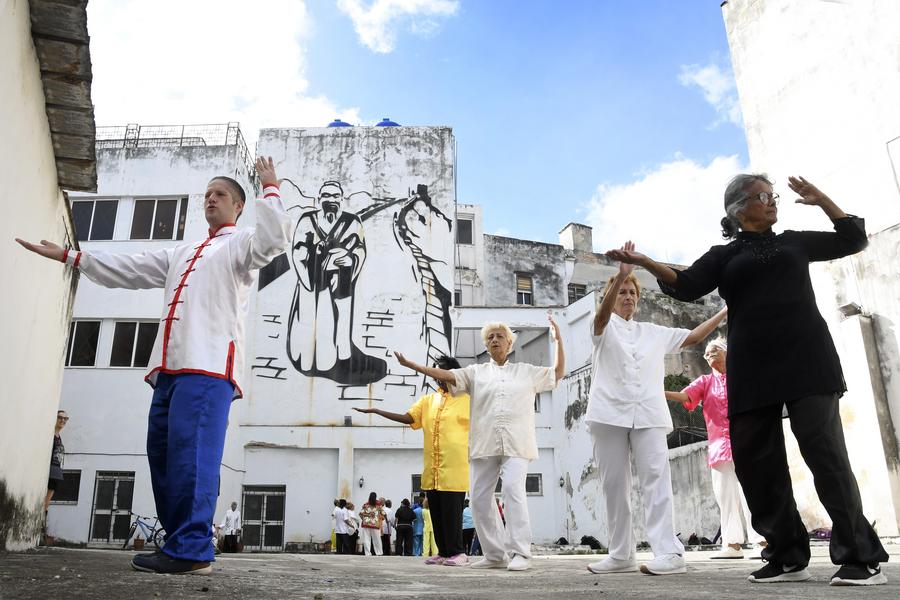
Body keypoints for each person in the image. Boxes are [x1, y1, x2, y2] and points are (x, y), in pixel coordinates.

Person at [607, 174, 888, 586]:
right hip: (753, 367)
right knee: (758, 463)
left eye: (772, 195)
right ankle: (787, 553)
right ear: (739, 208)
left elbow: (852, 239)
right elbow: (685, 286)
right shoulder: (723, 255)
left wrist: (823, 200)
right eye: (764, 196)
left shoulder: (794, 241)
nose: (773, 202)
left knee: (824, 453)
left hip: (807, 359)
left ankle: (859, 557)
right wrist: (647, 264)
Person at [17, 157, 292, 574]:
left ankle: (194, 549)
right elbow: (128, 268)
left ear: (237, 206)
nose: (209, 200)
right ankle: (178, 543)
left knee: (193, 459)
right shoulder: (182, 251)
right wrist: (70, 257)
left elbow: (274, 241)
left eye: (219, 195)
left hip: (208, 369)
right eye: (206, 195)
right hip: (168, 372)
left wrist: (270, 188)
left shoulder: (242, 243)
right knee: (163, 458)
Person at [584, 257, 727, 577]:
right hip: (608, 414)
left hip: (648, 413)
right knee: (614, 485)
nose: (628, 296)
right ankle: (621, 554)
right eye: (622, 292)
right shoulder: (603, 327)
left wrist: (725, 311)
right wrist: (620, 275)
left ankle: (669, 552)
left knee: (655, 481)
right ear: (611, 296)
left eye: (632, 292)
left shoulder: (651, 331)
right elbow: (600, 319)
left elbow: (691, 337)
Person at [395, 315, 565, 572]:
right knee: (478, 498)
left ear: (510, 342)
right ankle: (495, 554)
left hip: (517, 444)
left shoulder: (526, 372)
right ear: (486, 345)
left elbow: (558, 373)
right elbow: (448, 375)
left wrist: (559, 341)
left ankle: (521, 552)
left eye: (499, 336)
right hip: (484, 444)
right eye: (490, 337)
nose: (494, 340)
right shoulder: (476, 373)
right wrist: (414, 365)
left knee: (512, 490)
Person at [353, 355, 471, 566]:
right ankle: (444, 552)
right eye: (435, 372)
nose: (436, 376)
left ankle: (458, 553)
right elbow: (409, 418)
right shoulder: (428, 401)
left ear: (454, 374)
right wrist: (378, 411)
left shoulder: (467, 399)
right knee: (436, 514)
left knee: (452, 514)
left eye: (441, 371)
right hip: (432, 469)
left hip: (454, 468)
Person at [664, 338, 765, 560]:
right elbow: (685, 396)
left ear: (727, 353)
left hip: (746, 442)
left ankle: (762, 541)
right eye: (707, 353)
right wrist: (660, 392)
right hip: (719, 446)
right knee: (725, 497)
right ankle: (732, 544)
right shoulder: (705, 381)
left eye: (714, 351)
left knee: (751, 493)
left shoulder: (742, 376)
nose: (709, 355)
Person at [286, 180, 386, 385]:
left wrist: (349, 259)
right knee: (310, 322)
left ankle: (338, 359)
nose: (331, 200)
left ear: (341, 199)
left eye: (335, 196)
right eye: (326, 196)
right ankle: (307, 361)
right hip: (312, 285)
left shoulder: (352, 222)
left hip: (340, 283)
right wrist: (311, 259)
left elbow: (360, 250)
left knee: (338, 323)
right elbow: (297, 250)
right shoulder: (307, 220)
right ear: (319, 198)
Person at [358, 492, 385, 556]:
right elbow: (383, 513)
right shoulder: (378, 505)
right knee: (377, 539)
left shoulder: (365, 505)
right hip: (375, 524)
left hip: (366, 524)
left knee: (366, 538)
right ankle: (379, 552)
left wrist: (364, 519)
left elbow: (360, 514)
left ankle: (367, 553)